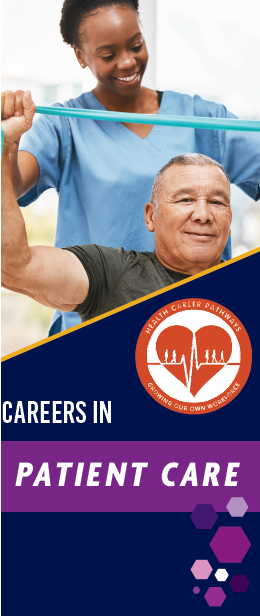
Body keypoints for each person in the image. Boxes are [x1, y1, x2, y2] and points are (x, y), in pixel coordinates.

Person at [3, 0, 258, 334]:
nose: (127, 62)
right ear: (81, 56)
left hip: (197, 314)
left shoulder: (204, 119)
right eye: (108, 55)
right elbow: (11, 187)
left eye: (136, 45)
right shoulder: (64, 127)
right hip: (96, 306)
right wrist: (7, 143)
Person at [1, 106, 232, 323]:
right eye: (186, 199)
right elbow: (15, 266)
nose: (203, 214)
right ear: (151, 216)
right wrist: (3, 146)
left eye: (216, 202)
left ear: (230, 222)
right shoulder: (109, 273)